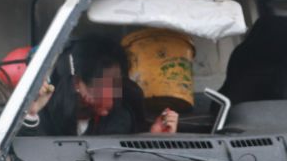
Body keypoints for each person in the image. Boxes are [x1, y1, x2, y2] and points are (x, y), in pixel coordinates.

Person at [23, 37, 178, 136]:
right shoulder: (43, 113)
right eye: (109, 85)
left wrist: (155, 139)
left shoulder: (121, 119)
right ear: (78, 83)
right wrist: (30, 113)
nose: (116, 95)